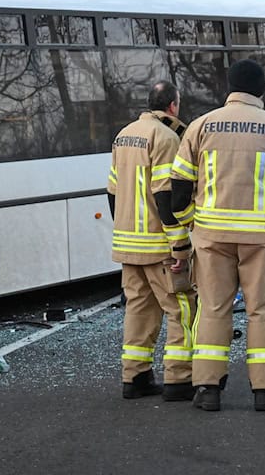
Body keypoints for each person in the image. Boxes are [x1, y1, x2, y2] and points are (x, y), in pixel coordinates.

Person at [170, 59, 265, 412]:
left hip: (211, 236)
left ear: (229, 88)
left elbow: (176, 189)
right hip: (264, 240)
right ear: (261, 89)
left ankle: (207, 389)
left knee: (212, 308)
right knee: (263, 310)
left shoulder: (201, 126)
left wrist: (193, 222)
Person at [108, 81, 198, 401]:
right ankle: (179, 378)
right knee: (181, 309)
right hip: (157, 245)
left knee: (138, 309)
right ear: (173, 106)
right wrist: (180, 246)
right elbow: (165, 197)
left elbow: (113, 191)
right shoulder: (166, 137)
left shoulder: (124, 134)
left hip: (128, 243)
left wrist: (122, 230)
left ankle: (135, 376)